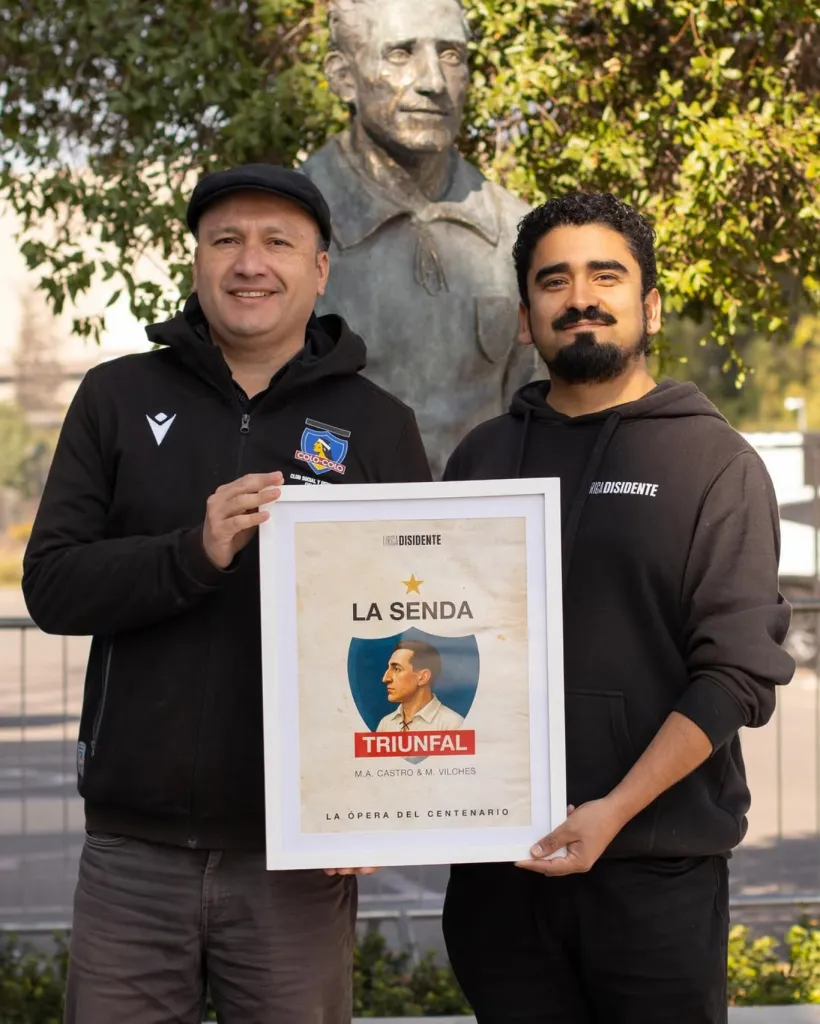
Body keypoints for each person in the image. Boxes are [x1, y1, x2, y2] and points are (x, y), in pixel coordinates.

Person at [22, 164, 430, 1024]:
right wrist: (194, 553)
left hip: (298, 853)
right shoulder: (116, 396)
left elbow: (414, 623)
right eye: (227, 241)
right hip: (133, 848)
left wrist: (384, 807)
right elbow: (53, 585)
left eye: (278, 242)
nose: (251, 262)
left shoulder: (378, 422)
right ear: (197, 260)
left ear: (320, 270)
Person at [440, 192, 795, 1023]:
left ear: (651, 305)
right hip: (501, 875)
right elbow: (437, 641)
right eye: (553, 281)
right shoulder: (481, 458)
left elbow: (737, 675)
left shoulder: (713, 461)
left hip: (654, 875)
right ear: (525, 318)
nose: (581, 297)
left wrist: (611, 815)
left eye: (607, 274)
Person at [302, 0, 536, 478]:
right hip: (336, 536)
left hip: (476, 535)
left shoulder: (519, 232)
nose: (433, 81)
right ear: (344, 76)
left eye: (451, 54)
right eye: (401, 53)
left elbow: (540, 420)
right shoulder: (282, 235)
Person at [376, 639, 464, 731]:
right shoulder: (386, 724)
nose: (385, 678)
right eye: (389, 668)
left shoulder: (453, 725)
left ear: (423, 677)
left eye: (397, 669)